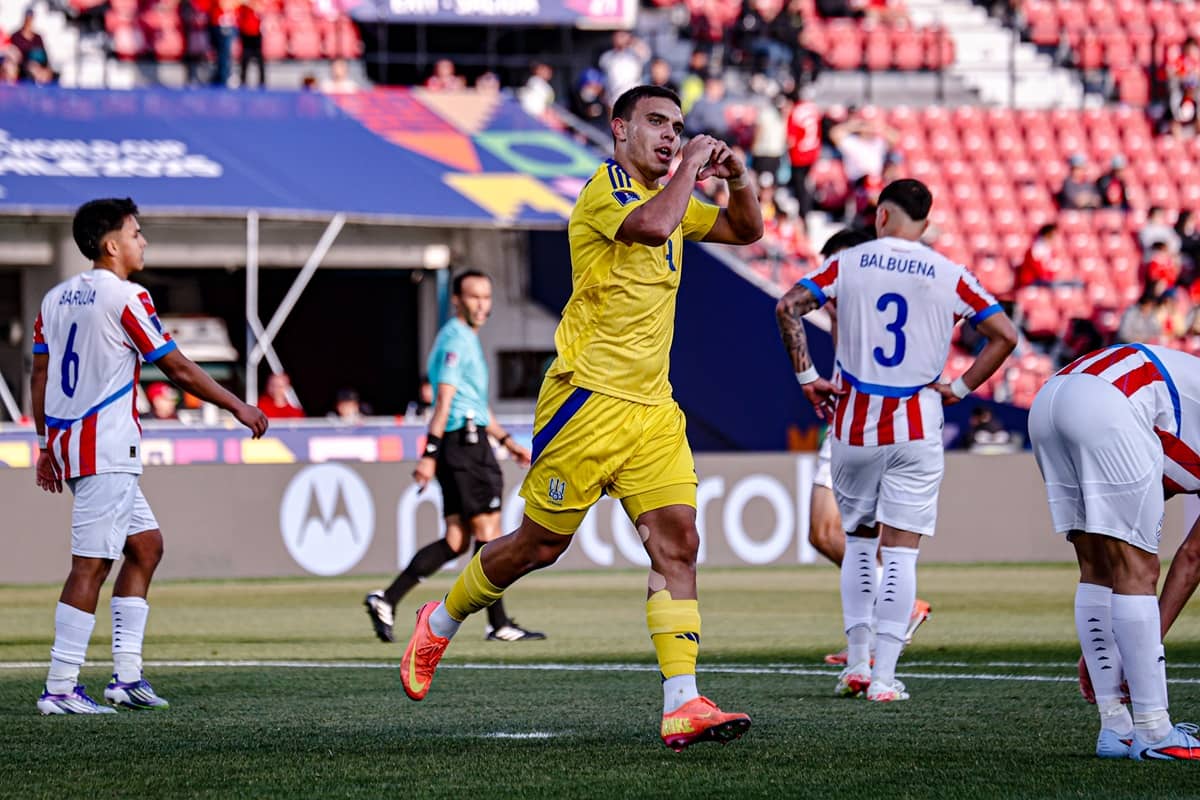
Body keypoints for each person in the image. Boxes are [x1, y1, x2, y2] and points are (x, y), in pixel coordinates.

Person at [398, 85, 763, 751]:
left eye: (678, 127)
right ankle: (441, 618)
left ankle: (682, 702)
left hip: (653, 410)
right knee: (540, 545)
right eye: (656, 122)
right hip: (585, 403)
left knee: (678, 543)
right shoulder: (607, 191)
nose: (669, 135)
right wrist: (690, 171)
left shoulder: (675, 203)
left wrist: (739, 179)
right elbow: (653, 224)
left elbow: (747, 229)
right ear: (620, 130)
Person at [776, 178, 1017, 702]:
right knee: (901, 555)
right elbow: (1006, 335)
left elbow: (787, 307)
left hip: (853, 424)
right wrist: (959, 387)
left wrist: (808, 377)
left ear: (880, 216)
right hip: (916, 424)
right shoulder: (950, 272)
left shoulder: (849, 263)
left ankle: (856, 666)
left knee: (859, 545)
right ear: (925, 224)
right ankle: (884, 679)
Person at [31, 197, 268, 714]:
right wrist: (237, 405)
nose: (143, 242)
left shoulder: (54, 298)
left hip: (75, 445)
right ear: (111, 244)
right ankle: (60, 686)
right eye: (136, 233)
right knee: (91, 564)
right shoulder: (127, 297)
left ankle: (126, 677)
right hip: (108, 447)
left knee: (145, 547)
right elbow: (177, 368)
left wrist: (46, 442)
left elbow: (41, 375)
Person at [1029, 344, 1200, 760]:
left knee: (1097, 567)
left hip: (1051, 397)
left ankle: (1116, 727)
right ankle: (1155, 731)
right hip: (1113, 400)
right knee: (1137, 569)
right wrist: (1130, 646)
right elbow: (1193, 558)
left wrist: (1119, 648)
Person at [364, 271, 542, 644]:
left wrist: (508, 441)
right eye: (473, 296)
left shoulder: (466, 340)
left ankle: (387, 598)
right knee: (489, 536)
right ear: (457, 300)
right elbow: (443, 401)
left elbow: (475, 404)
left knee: (458, 540)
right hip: (464, 447)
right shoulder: (455, 339)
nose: (481, 304)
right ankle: (499, 623)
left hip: (467, 441)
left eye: (486, 296)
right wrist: (429, 453)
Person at [803, 229, 933, 667]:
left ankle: (884, 626)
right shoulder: (851, 302)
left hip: (868, 424)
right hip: (851, 418)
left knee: (837, 533)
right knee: (838, 535)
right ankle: (872, 633)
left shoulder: (871, 296)